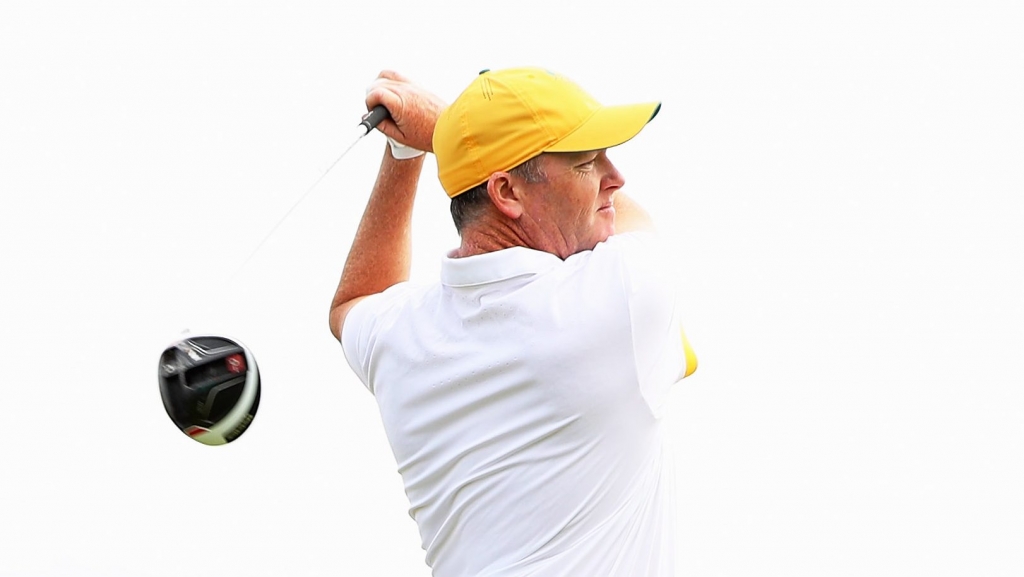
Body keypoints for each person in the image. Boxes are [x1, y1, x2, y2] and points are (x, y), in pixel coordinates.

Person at [329, 67, 698, 577]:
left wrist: (407, 155)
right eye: (588, 162)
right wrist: (442, 130)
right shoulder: (620, 298)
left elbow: (355, 300)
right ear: (506, 192)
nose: (615, 178)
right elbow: (632, 222)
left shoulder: (402, 333)